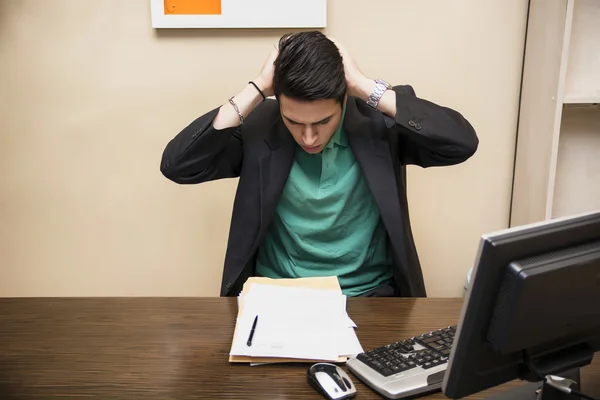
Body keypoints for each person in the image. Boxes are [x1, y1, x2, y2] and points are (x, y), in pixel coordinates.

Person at [160, 31, 479, 298]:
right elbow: (178, 165)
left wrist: (363, 85)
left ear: (344, 99)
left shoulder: (378, 123)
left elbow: (461, 143)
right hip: (277, 295)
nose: (309, 138)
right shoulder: (260, 126)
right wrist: (257, 87)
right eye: (294, 121)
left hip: (372, 296)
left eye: (323, 122)